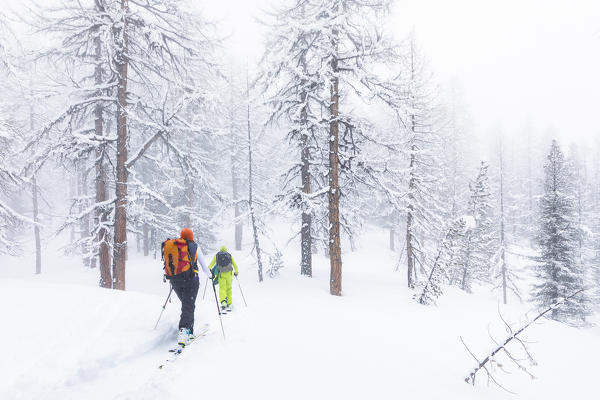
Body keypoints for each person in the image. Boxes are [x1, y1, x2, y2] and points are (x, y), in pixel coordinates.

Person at [169, 228, 212, 346]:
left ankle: (189, 329)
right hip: (190, 281)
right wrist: (210, 275)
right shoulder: (194, 246)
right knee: (188, 305)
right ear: (191, 236)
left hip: (175, 281)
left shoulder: (174, 246)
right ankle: (184, 331)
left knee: (187, 304)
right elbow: (204, 266)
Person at [208, 246, 238, 312]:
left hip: (221, 275)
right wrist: (236, 272)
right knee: (229, 289)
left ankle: (223, 303)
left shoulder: (217, 256)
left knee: (222, 289)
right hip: (229, 275)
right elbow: (235, 265)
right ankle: (229, 304)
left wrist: (209, 270)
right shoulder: (229, 255)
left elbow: (211, 265)